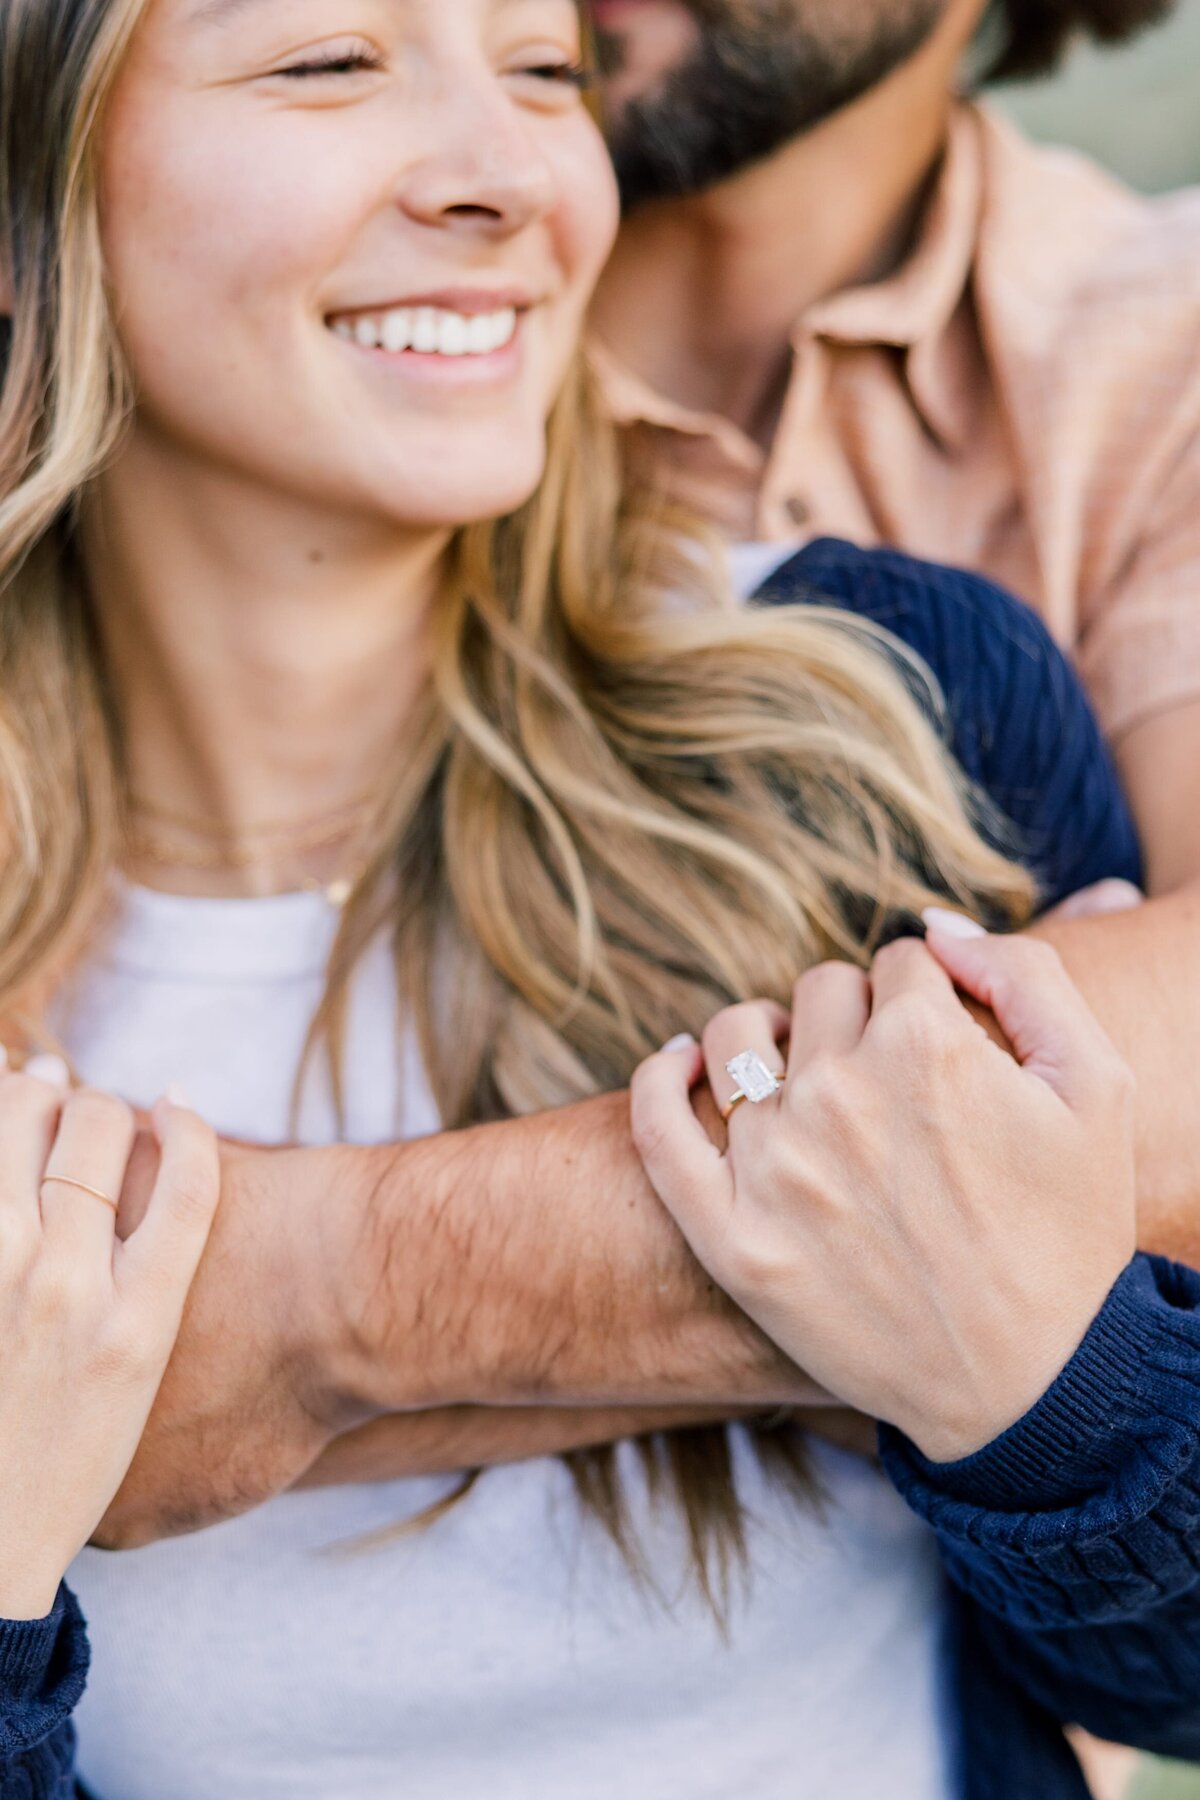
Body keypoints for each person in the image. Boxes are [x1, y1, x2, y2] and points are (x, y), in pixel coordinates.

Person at [1, 0, 1195, 1796]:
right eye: (329, 61)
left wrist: (1042, 1398)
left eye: (547, 70)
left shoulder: (884, 715)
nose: (506, 174)